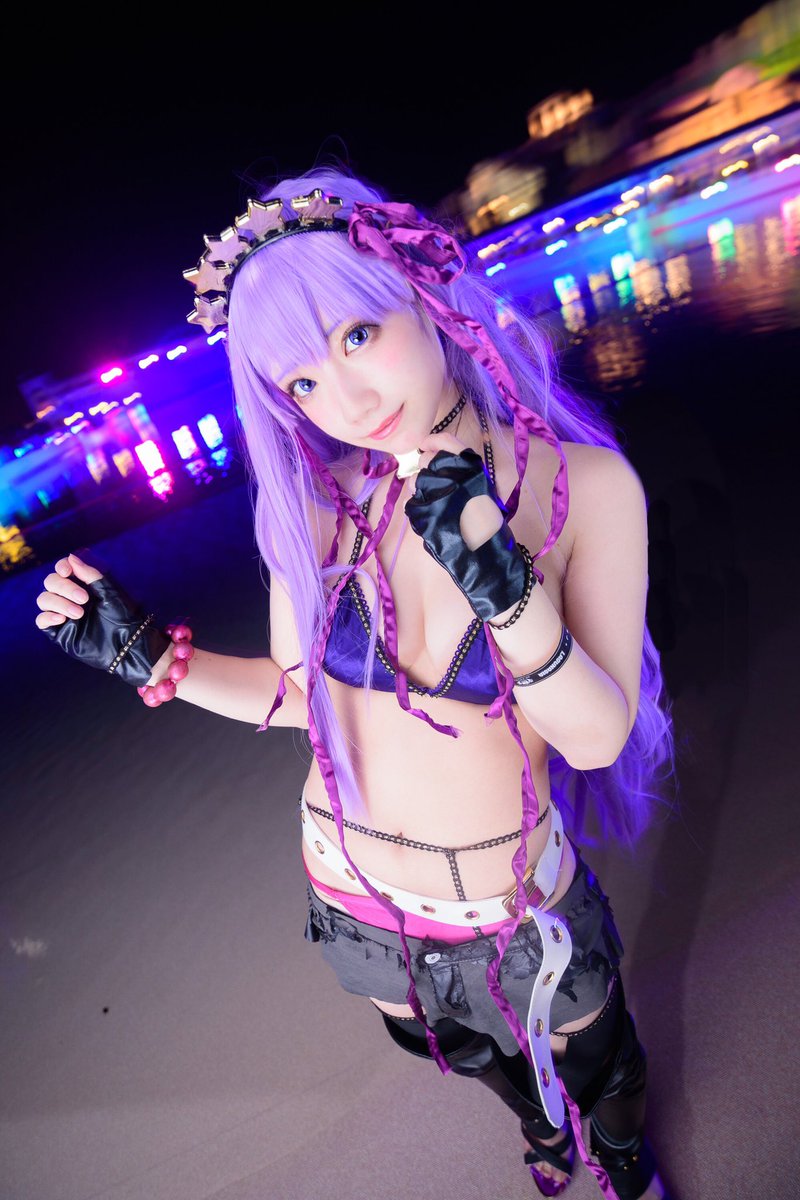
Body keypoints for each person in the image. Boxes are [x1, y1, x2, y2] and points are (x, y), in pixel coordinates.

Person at [35, 164, 678, 1199]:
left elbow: (597, 737)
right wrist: (150, 655)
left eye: (356, 336)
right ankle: (539, 1127)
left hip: (513, 900)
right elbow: (302, 699)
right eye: (299, 383)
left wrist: (506, 591)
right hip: (352, 892)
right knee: (459, 1049)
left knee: (605, 1058)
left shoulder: (583, 487)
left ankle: (614, 1154)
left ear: (422, 293)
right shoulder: (317, 507)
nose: (347, 403)